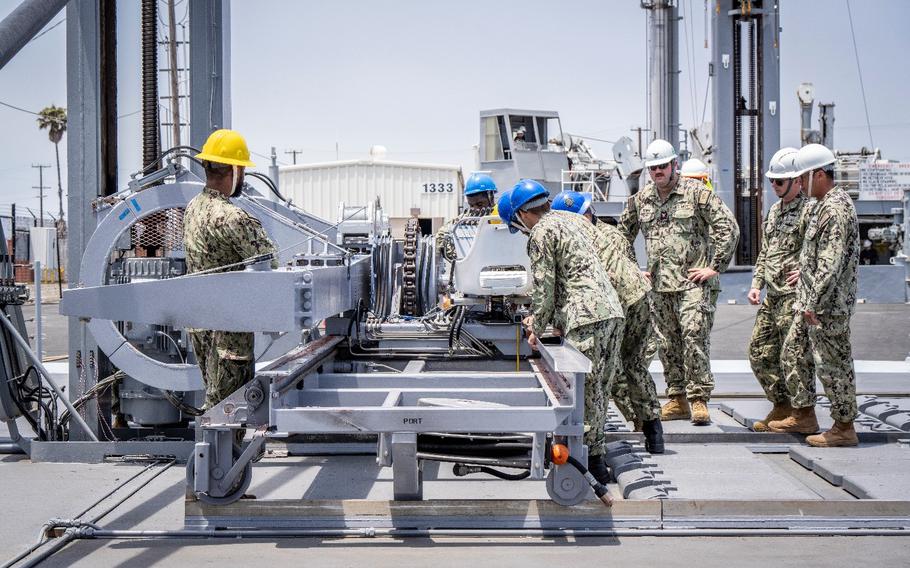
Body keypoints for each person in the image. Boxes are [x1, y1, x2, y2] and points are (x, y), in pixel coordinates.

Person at [502, 180, 625, 483]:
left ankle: (580, 471)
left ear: (522, 215)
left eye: (517, 226)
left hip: (585, 318)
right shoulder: (573, 219)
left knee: (580, 396)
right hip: (612, 311)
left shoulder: (541, 233)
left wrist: (536, 328)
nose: (522, 232)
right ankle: (596, 465)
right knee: (599, 393)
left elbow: (545, 288)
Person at [619, 139, 739, 425]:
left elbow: (728, 227)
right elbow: (621, 235)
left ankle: (699, 399)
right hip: (660, 287)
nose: (658, 172)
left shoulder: (696, 193)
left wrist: (714, 267)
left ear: (674, 165)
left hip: (692, 284)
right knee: (667, 344)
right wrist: (634, 270)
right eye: (653, 168)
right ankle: (677, 398)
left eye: (663, 166)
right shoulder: (641, 200)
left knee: (694, 336)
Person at [184, 129, 278, 444]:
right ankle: (218, 472)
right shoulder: (232, 217)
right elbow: (270, 266)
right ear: (235, 171)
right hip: (229, 331)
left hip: (200, 323)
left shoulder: (193, 208)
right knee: (229, 406)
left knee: (214, 394)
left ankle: (218, 466)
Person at [551, 191, 663, 453]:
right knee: (634, 365)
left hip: (616, 304)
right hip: (638, 298)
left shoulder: (581, 238)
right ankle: (652, 430)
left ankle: (602, 440)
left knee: (605, 373)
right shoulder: (612, 234)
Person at [769, 144, 860, 447]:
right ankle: (803, 413)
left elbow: (830, 264)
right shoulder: (821, 205)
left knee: (833, 365)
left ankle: (844, 427)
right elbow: (815, 256)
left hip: (826, 307)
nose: (799, 183)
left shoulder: (834, 209)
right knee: (793, 352)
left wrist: (812, 302)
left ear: (819, 174)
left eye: (803, 176)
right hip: (811, 302)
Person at [746, 148, 812, 431]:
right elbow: (767, 251)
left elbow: (823, 249)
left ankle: (803, 413)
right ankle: (782, 404)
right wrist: (756, 283)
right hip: (773, 294)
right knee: (759, 351)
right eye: (772, 180)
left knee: (794, 354)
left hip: (795, 297)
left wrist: (808, 272)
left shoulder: (809, 210)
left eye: (780, 181)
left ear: (797, 181)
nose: (774, 186)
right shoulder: (774, 211)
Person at [435, 172, 497, 262]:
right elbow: (441, 235)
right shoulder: (464, 218)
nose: (475, 209)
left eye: (480, 204)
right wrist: (456, 257)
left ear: (491, 197)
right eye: (471, 205)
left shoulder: (502, 214)